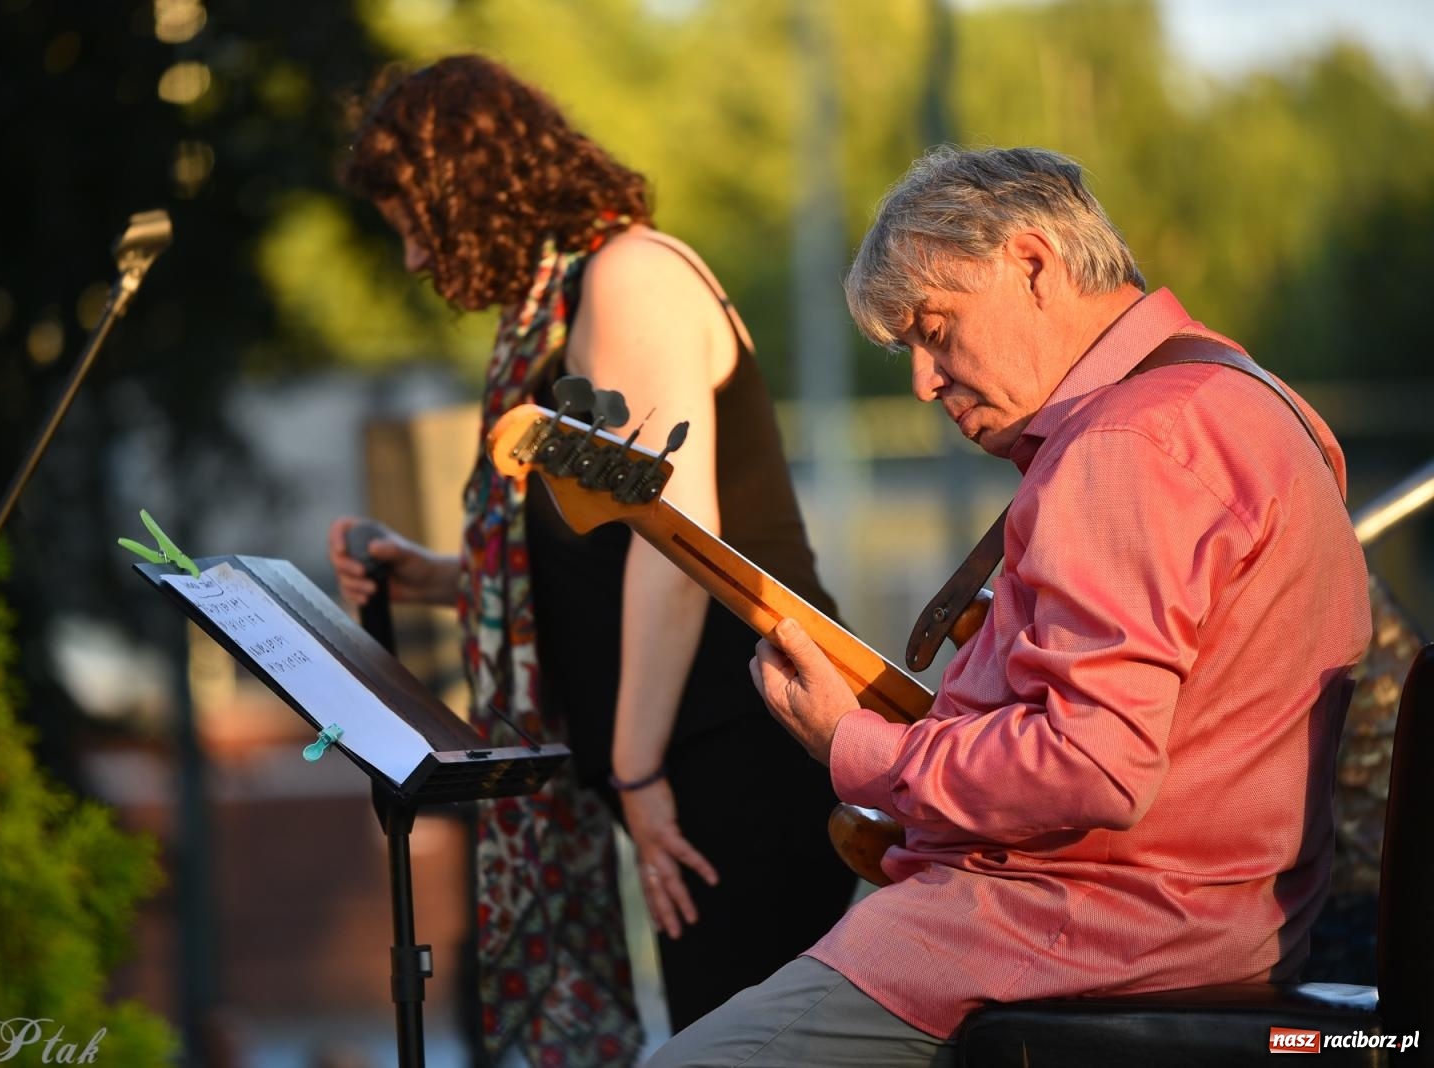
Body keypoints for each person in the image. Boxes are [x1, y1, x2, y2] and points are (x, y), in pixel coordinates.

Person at [648, 145, 1373, 1067]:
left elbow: (1089, 763)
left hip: (1065, 933)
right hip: (1192, 922)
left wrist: (853, 745)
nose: (923, 381)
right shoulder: (1247, 398)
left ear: (1032, 263)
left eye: (936, 328)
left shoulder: (1128, 443)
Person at [326, 55, 854, 1066]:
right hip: (692, 749)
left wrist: (637, 769)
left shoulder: (631, 278)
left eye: (412, 219)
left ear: (468, 190)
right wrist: (431, 577)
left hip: (739, 740)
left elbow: (671, 541)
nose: (410, 257)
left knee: (736, 1046)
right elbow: (594, 547)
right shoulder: (556, 312)